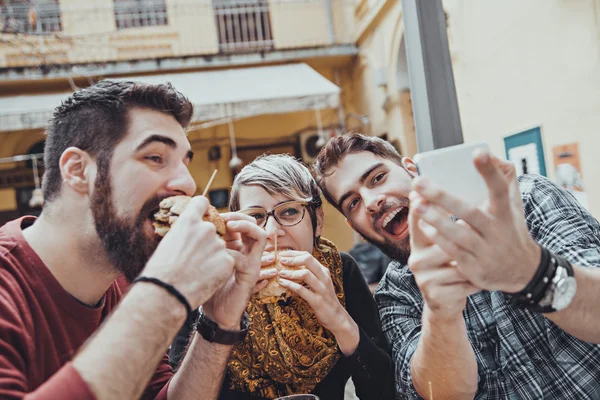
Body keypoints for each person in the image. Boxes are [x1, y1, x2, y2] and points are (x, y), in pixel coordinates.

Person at [0, 80, 267, 399]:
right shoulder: (9, 289)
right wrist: (165, 291)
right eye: (155, 157)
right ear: (77, 170)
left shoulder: (125, 283)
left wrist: (218, 320)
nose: (188, 183)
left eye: (184, 162)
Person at [313, 133, 600, 399]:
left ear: (412, 170)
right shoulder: (394, 294)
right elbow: (439, 394)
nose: (372, 202)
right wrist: (441, 314)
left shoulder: (526, 202)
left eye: (377, 178)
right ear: (355, 227)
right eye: (353, 203)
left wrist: (532, 273)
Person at [170, 154, 394, 400]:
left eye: (288, 211)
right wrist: (219, 321)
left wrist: (341, 322)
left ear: (317, 221)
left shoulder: (340, 271)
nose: (272, 232)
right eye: (256, 216)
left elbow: (385, 392)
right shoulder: (210, 280)